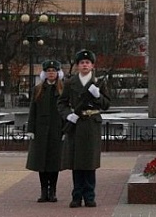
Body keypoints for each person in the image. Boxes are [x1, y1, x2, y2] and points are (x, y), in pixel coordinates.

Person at [58, 49, 110, 208]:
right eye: (82, 63)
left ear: (92, 65)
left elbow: (106, 105)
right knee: (77, 163)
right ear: (78, 66)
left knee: (89, 163)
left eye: (87, 62)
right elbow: (62, 103)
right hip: (76, 125)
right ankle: (76, 196)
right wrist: (68, 115)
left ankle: (89, 196)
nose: (85, 65)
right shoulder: (70, 83)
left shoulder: (99, 83)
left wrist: (97, 96)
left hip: (91, 125)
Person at [25, 60, 65, 203]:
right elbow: (33, 110)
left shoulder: (62, 89)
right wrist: (31, 129)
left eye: (53, 71)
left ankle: (52, 191)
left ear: (58, 73)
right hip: (41, 131)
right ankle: (43, 191)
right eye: (48, 71)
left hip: (56, 130)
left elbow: (67, 110)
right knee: (41, 162)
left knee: (54, 162)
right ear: (45, 73)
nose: (51, 73)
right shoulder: (38, 89)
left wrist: (66, 129)